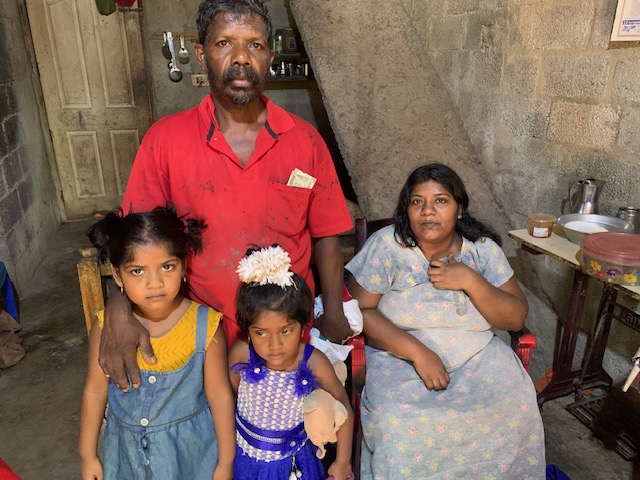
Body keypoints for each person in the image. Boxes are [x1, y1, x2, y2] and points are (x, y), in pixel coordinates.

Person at [100, 0, 353, 390]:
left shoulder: (304, 140)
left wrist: (332, 312)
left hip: (282, 336)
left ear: (269, 55)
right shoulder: (165, 141)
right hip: (199, 334)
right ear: (202, 55)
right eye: (224, 44)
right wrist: (118, 311)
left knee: (285, 439)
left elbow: (326, 234)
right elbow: (131, 242)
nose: (241, 59)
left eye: (254, 45)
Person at [346, 163, 545, 479]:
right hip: (399, 356)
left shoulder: (482, 251)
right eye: (417, 202)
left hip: (479, 356)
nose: (427, 211)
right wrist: (418, 353)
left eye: (440, 200)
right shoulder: (388, 246)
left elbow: (515, 317)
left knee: (514, 408)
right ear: (406, 209)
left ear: (459, 209)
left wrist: (470, 280)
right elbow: (357, 310)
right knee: (399, 421)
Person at [78, 205, 236, 480]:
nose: (155, 283)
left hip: (191, 457)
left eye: (167, 267)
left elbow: (220, 397)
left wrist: (225, 463)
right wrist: (87, 455)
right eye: (138, 271)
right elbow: (95, 390)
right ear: (118, 276)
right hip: (126, 458)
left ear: (184, 266)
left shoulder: (205, 327)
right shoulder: (106, 329)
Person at [228, 245, 353, 480]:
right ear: (248, 330)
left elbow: (343, 408)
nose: (274, 345)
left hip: (295, 466)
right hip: (247, 462)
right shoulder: (242, 354)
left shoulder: (314, 361)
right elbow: (232, 396)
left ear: (302, 325)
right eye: (261, 333)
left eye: (286, 330)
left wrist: (343, 461)